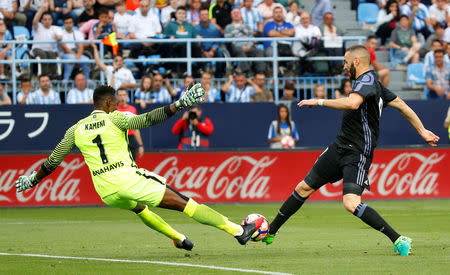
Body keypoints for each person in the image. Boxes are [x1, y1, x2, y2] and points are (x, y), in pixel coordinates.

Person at [15, 84, 263, 251]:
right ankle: (239, 231)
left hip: (105, 191)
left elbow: (52, 163)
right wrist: (179, 105)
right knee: (186, 203)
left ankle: (178, 239)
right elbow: (146, 119)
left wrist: (31, 181)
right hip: (127, 178)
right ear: (110, 102)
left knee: (140, 209)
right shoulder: (116, 117)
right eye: (117, 102)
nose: (119, 105)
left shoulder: (75, 129)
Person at [262, 45, 440, 257]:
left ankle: (398, 239)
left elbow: (353, 103)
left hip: (357, 152)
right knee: (303, 188)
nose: (344, 67)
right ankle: (270, 231)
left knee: (350, 202)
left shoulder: (366, 81)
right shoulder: (371, 82)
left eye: (346, 63)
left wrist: (319, 101)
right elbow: (401, 104)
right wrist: (423, 131)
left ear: (356, 62)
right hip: (339, 146)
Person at [224, 7, 266, 75]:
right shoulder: (228, 27)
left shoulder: (247, 26)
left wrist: (249, 46)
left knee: (259, 51)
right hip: (235, 48)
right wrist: (241, 47)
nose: (236, 14)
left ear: (241, 15)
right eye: (234, 13)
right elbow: (228, 39)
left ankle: (260, 72)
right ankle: (247, 72)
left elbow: (251, 37)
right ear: (231, 15)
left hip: (249, 46)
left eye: (238, 13)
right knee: (239, 50)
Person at [32, 2, 63, 76]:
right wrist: (41, 9)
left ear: (52, 20)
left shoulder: (56, 28)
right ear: (42, 20)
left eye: (49, 19)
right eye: (45, 19)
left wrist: (58, 37)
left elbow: (60, 36)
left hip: (50, 51)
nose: (47, 21)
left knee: (53, 55)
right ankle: (44, 75)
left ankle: (53, 76)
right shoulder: (38, 26)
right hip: (38, 50)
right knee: (43, 55)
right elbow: (35, 21)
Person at [116, 87, 144, 160]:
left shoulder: (132, 109)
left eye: (124, 95)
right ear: (117, 97)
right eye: (120, 95)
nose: (122, 97)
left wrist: (140, 145)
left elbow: (136, 129)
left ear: (127, 96)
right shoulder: (114, 110)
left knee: (132, 164)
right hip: (118, 139)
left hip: (130, 139)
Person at [60, 15, 90, 81]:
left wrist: (78, 56)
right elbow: (64, 48)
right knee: (71, 59)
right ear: (63, 24)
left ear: (73, 23)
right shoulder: (60, 33)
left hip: (77, 54)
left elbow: (81, 47)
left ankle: (87, 79)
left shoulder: (78, 33)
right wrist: (76, 56)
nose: (68, 25)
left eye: (70, 22)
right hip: (64, 55)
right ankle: (66, 79)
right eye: (66, 23)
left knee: (87, 60)